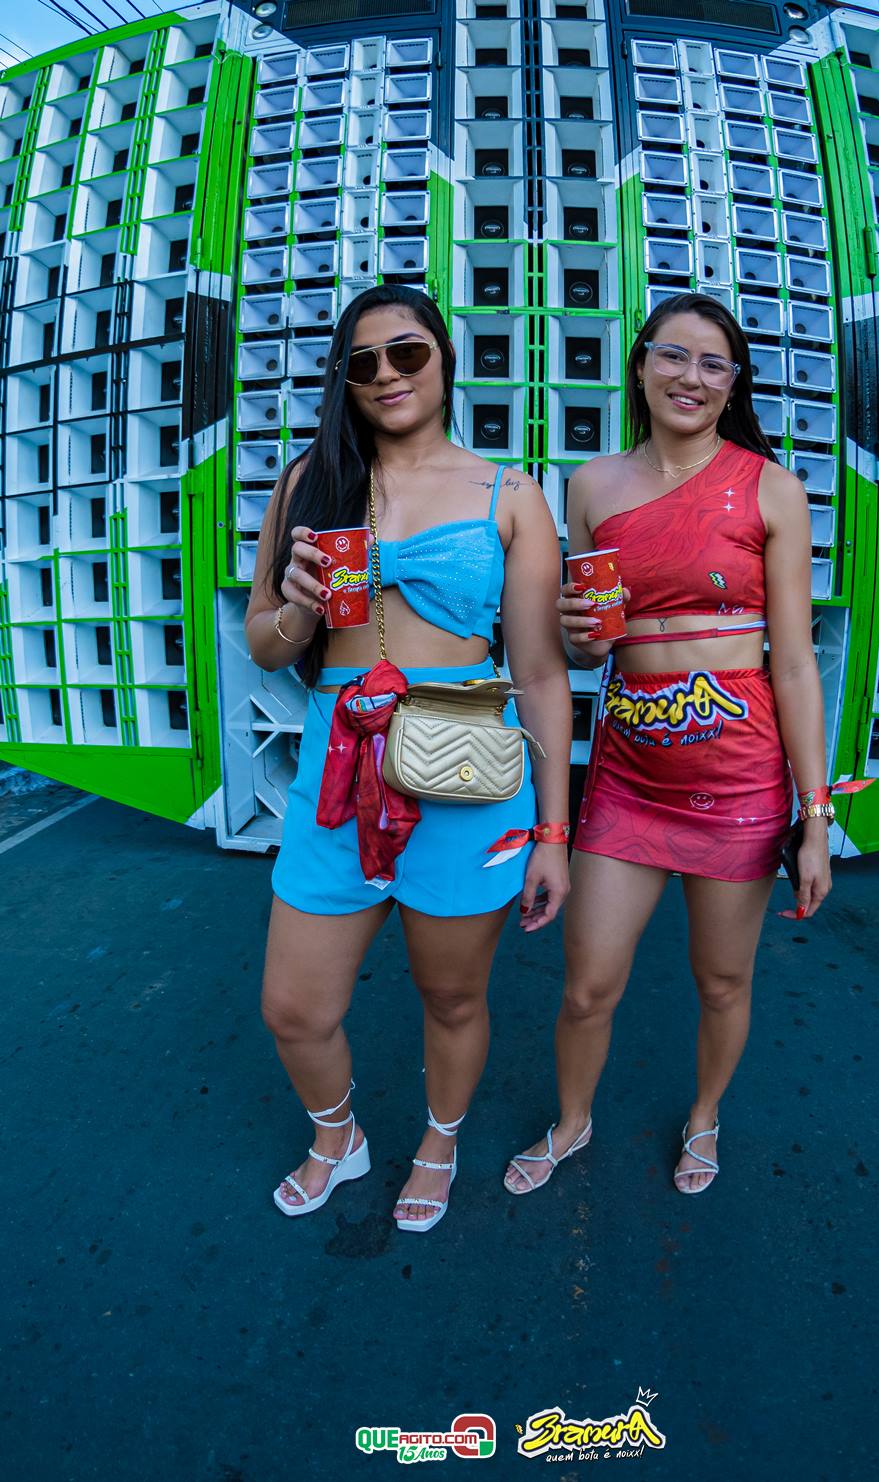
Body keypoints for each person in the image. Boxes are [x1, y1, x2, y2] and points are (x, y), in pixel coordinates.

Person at [246, 285, 571, 1230]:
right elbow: (265, 645)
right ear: (343, 381)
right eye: (363, 363)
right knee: (293, 1007)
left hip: (468, 776)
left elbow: (540, 674)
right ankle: (336, 1137)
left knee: (453, 994)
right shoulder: (308, 483)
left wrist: (554, 832)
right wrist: (298, 605)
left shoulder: (509, 494)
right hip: (338, 773)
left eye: (407, 353)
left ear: (443, 358)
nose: (386, 374)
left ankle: (439, 1140)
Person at [504, 291, 832, 1198]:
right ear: (641, 365)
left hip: (742, 781)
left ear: (734, 384)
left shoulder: (772, 488)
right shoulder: (590, 485)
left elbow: (794, 663)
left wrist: (814, 818)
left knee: (722, 982)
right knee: (586, 987)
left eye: (713, 363)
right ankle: (572, 1123)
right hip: (629, 776)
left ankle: (705, 1116)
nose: (692, 376)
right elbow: (589, 647)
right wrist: (578, 635)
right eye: (674, 356)